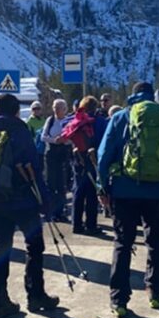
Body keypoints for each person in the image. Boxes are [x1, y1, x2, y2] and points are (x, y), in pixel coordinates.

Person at [96, 81, 159, 317]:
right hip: (156, 191)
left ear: (132, 95)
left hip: (124, 190)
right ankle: (155, 292)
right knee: (155, 240)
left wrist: (103, 188)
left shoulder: (121, 117)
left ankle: (119, 300)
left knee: (123, 242)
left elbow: (103, 155)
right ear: (152, 96)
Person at [0, 93, 57, 318]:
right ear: (15, 110)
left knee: (0, 250)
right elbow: (34, 166)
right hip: (24, 200)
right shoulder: (20, 130)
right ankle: (35, 295)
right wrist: (45, 202)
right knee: (34, 246)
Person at [62, 96, 107, 235]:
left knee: (78, 192)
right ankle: (91, 225)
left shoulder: (76, 121)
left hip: (78, 159)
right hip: (94, 159)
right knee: (92, 193)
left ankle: (76, 224)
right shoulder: (100, 121)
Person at [40, 99, 73, 222]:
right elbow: (43, 137)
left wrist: (65, 140)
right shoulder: (50, 120)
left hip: (64, 154)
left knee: (62, 184)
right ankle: (52, 212)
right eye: (55, 107)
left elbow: (73, 138)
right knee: (51, 183)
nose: (56, 110)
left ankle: (61, 212)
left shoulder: (69, 121)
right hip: (51, 155)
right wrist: (55, 140)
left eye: (59, 107)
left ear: (65, 109)